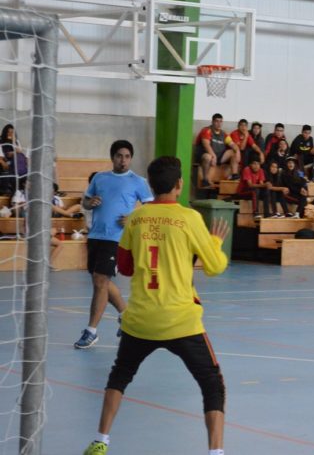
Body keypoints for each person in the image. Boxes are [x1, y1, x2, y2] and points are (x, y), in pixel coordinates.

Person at [82, 156, 230, 455]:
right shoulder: (190, 218)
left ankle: (101, 440)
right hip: (181, 320)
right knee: (212, 384)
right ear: (179, 184)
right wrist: (213, 243)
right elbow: (215, 267)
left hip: (140, 320)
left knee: (120, 375)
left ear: (150, 184)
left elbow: (124, 268)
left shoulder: (135, 218)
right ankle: (215, 452)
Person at [74, 140, 154, 349]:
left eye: (127, 156)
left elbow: (151, 209)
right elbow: (85, 201)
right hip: (95, 236)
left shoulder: (138, 181)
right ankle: (127, 317)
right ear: (112, 157)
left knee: (101, 280)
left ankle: (91, 331)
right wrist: (89, 203)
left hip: (117, 240)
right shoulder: (100, 178)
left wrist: (133, 218)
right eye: (119, 156)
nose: (123, 160)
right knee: (100, 281)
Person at [194, 114, 238, 186]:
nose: (219, 124)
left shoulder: (224, 134)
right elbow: (206, 144)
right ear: (212, 122)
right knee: (208, 157)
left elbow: (232, 144)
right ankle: (205, 180)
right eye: (217, 121)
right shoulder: (206, 130)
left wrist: (237, 151)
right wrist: (213, 156)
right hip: (205, 156)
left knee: (233, 152)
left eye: (221, 121)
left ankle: (234, 175)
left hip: (218, 157)